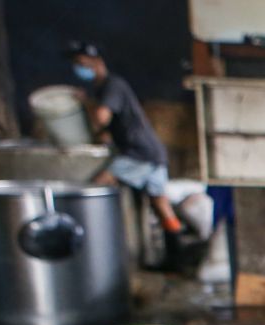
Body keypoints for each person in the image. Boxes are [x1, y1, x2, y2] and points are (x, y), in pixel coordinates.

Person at [66, 41, 183, 237]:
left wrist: (85, 104)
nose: (79, 68)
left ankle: (89, 237)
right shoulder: (105, 88)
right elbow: (108, 130)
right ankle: (176, 256)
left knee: (97, 186)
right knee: (160, 204)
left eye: (82, 62)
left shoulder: (112, 85)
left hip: (138, 153)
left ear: (97, 62)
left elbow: (102, 117)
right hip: (152, 151)